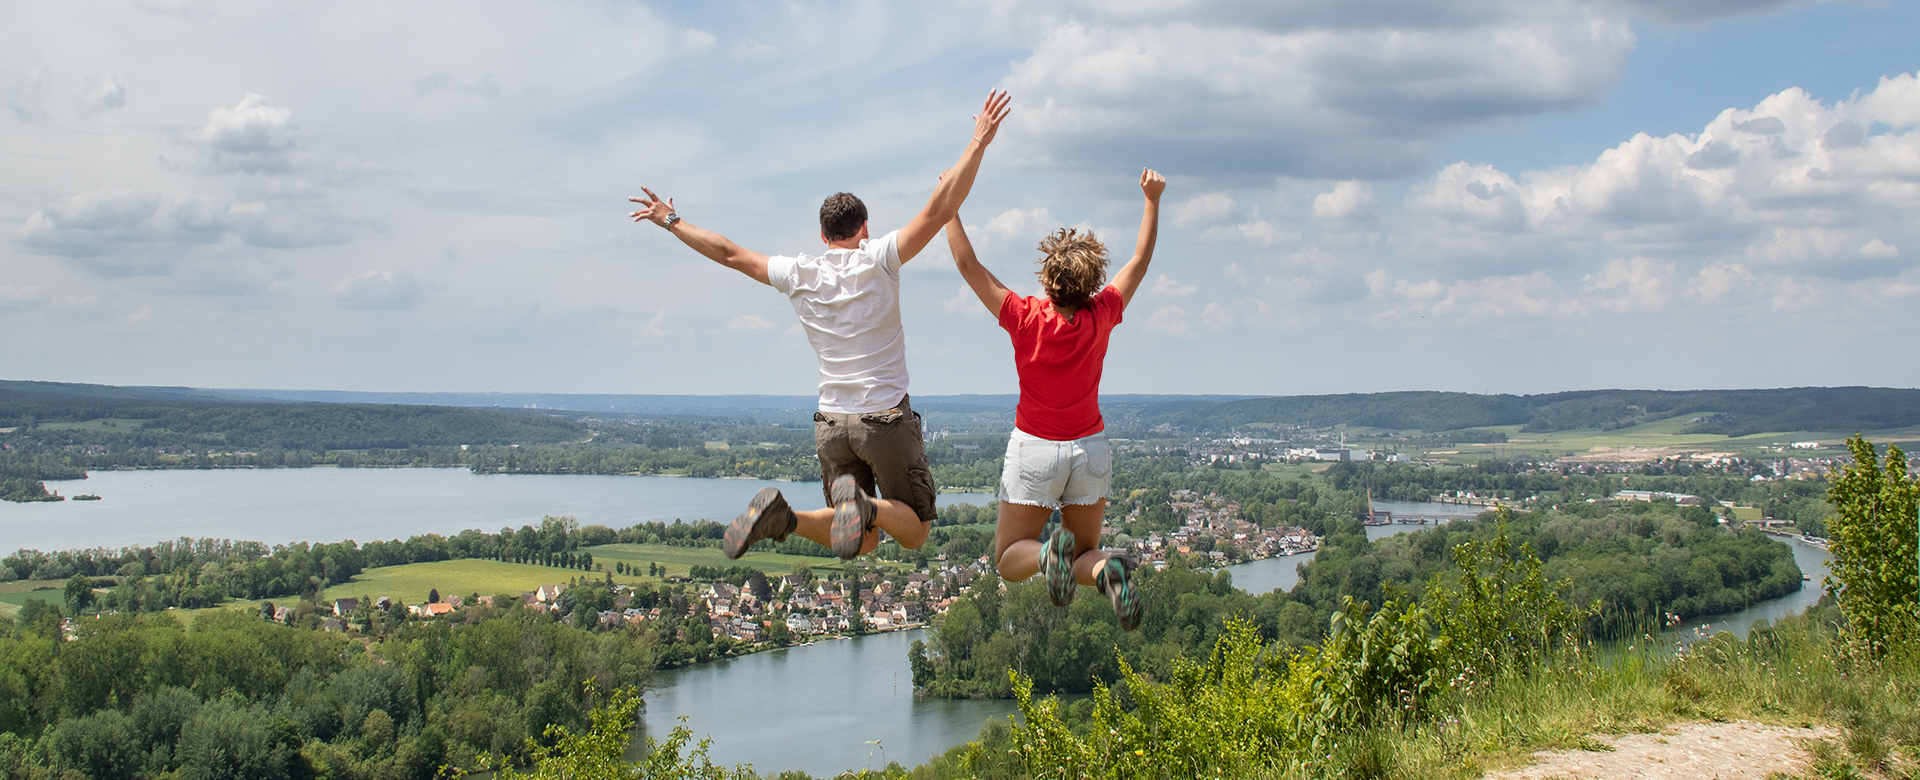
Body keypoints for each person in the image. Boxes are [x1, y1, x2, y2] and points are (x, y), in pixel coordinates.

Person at [627, 90, 1011, 561]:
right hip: (883, 421)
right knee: (914, 533)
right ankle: (866, 504)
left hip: (831, 425)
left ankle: (784, 519)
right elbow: (938, 208)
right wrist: (978, 141)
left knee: (861, 543)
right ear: (865, 228)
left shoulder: (799, 272)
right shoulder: (879, 258)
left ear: (823, 236)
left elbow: (727, 252)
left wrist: (671, 220)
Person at [941, 168, 1165, 630]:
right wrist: (1152, 200)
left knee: (1007, 558)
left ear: (1047, 277)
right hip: (1091, 451)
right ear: (1090, 281)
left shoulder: (1025, 317)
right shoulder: (1101, 314)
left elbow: (969, 266)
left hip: (1035, 450)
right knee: (1085, 555)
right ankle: (1108, 571)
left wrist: (950, 207)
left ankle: (1047, 553)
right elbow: (1140, 261)